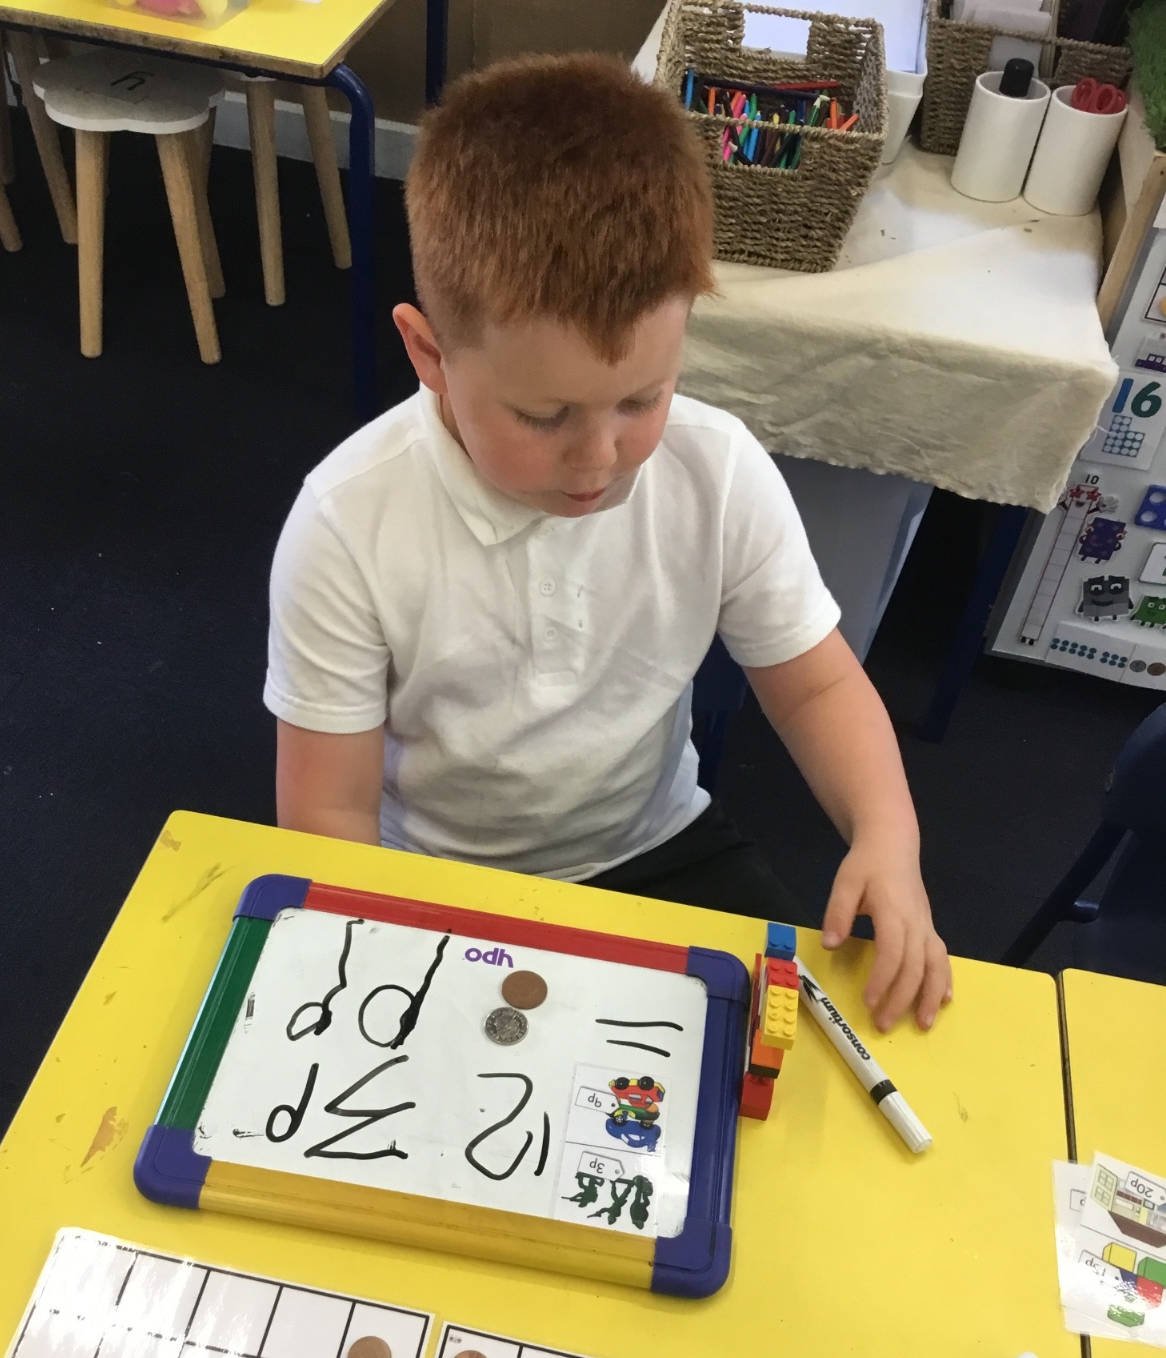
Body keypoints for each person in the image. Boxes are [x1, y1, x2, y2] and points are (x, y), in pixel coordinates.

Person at [266, 54, 951, 1032]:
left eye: (641, 398)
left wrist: (889, 834)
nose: (598, 458)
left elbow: (816, 687)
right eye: (543, 415)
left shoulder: (719, 470)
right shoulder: (346, 525)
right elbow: (329, 813)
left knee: (802, 1066)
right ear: (429, 354)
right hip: (440, 877)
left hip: (661, 849)